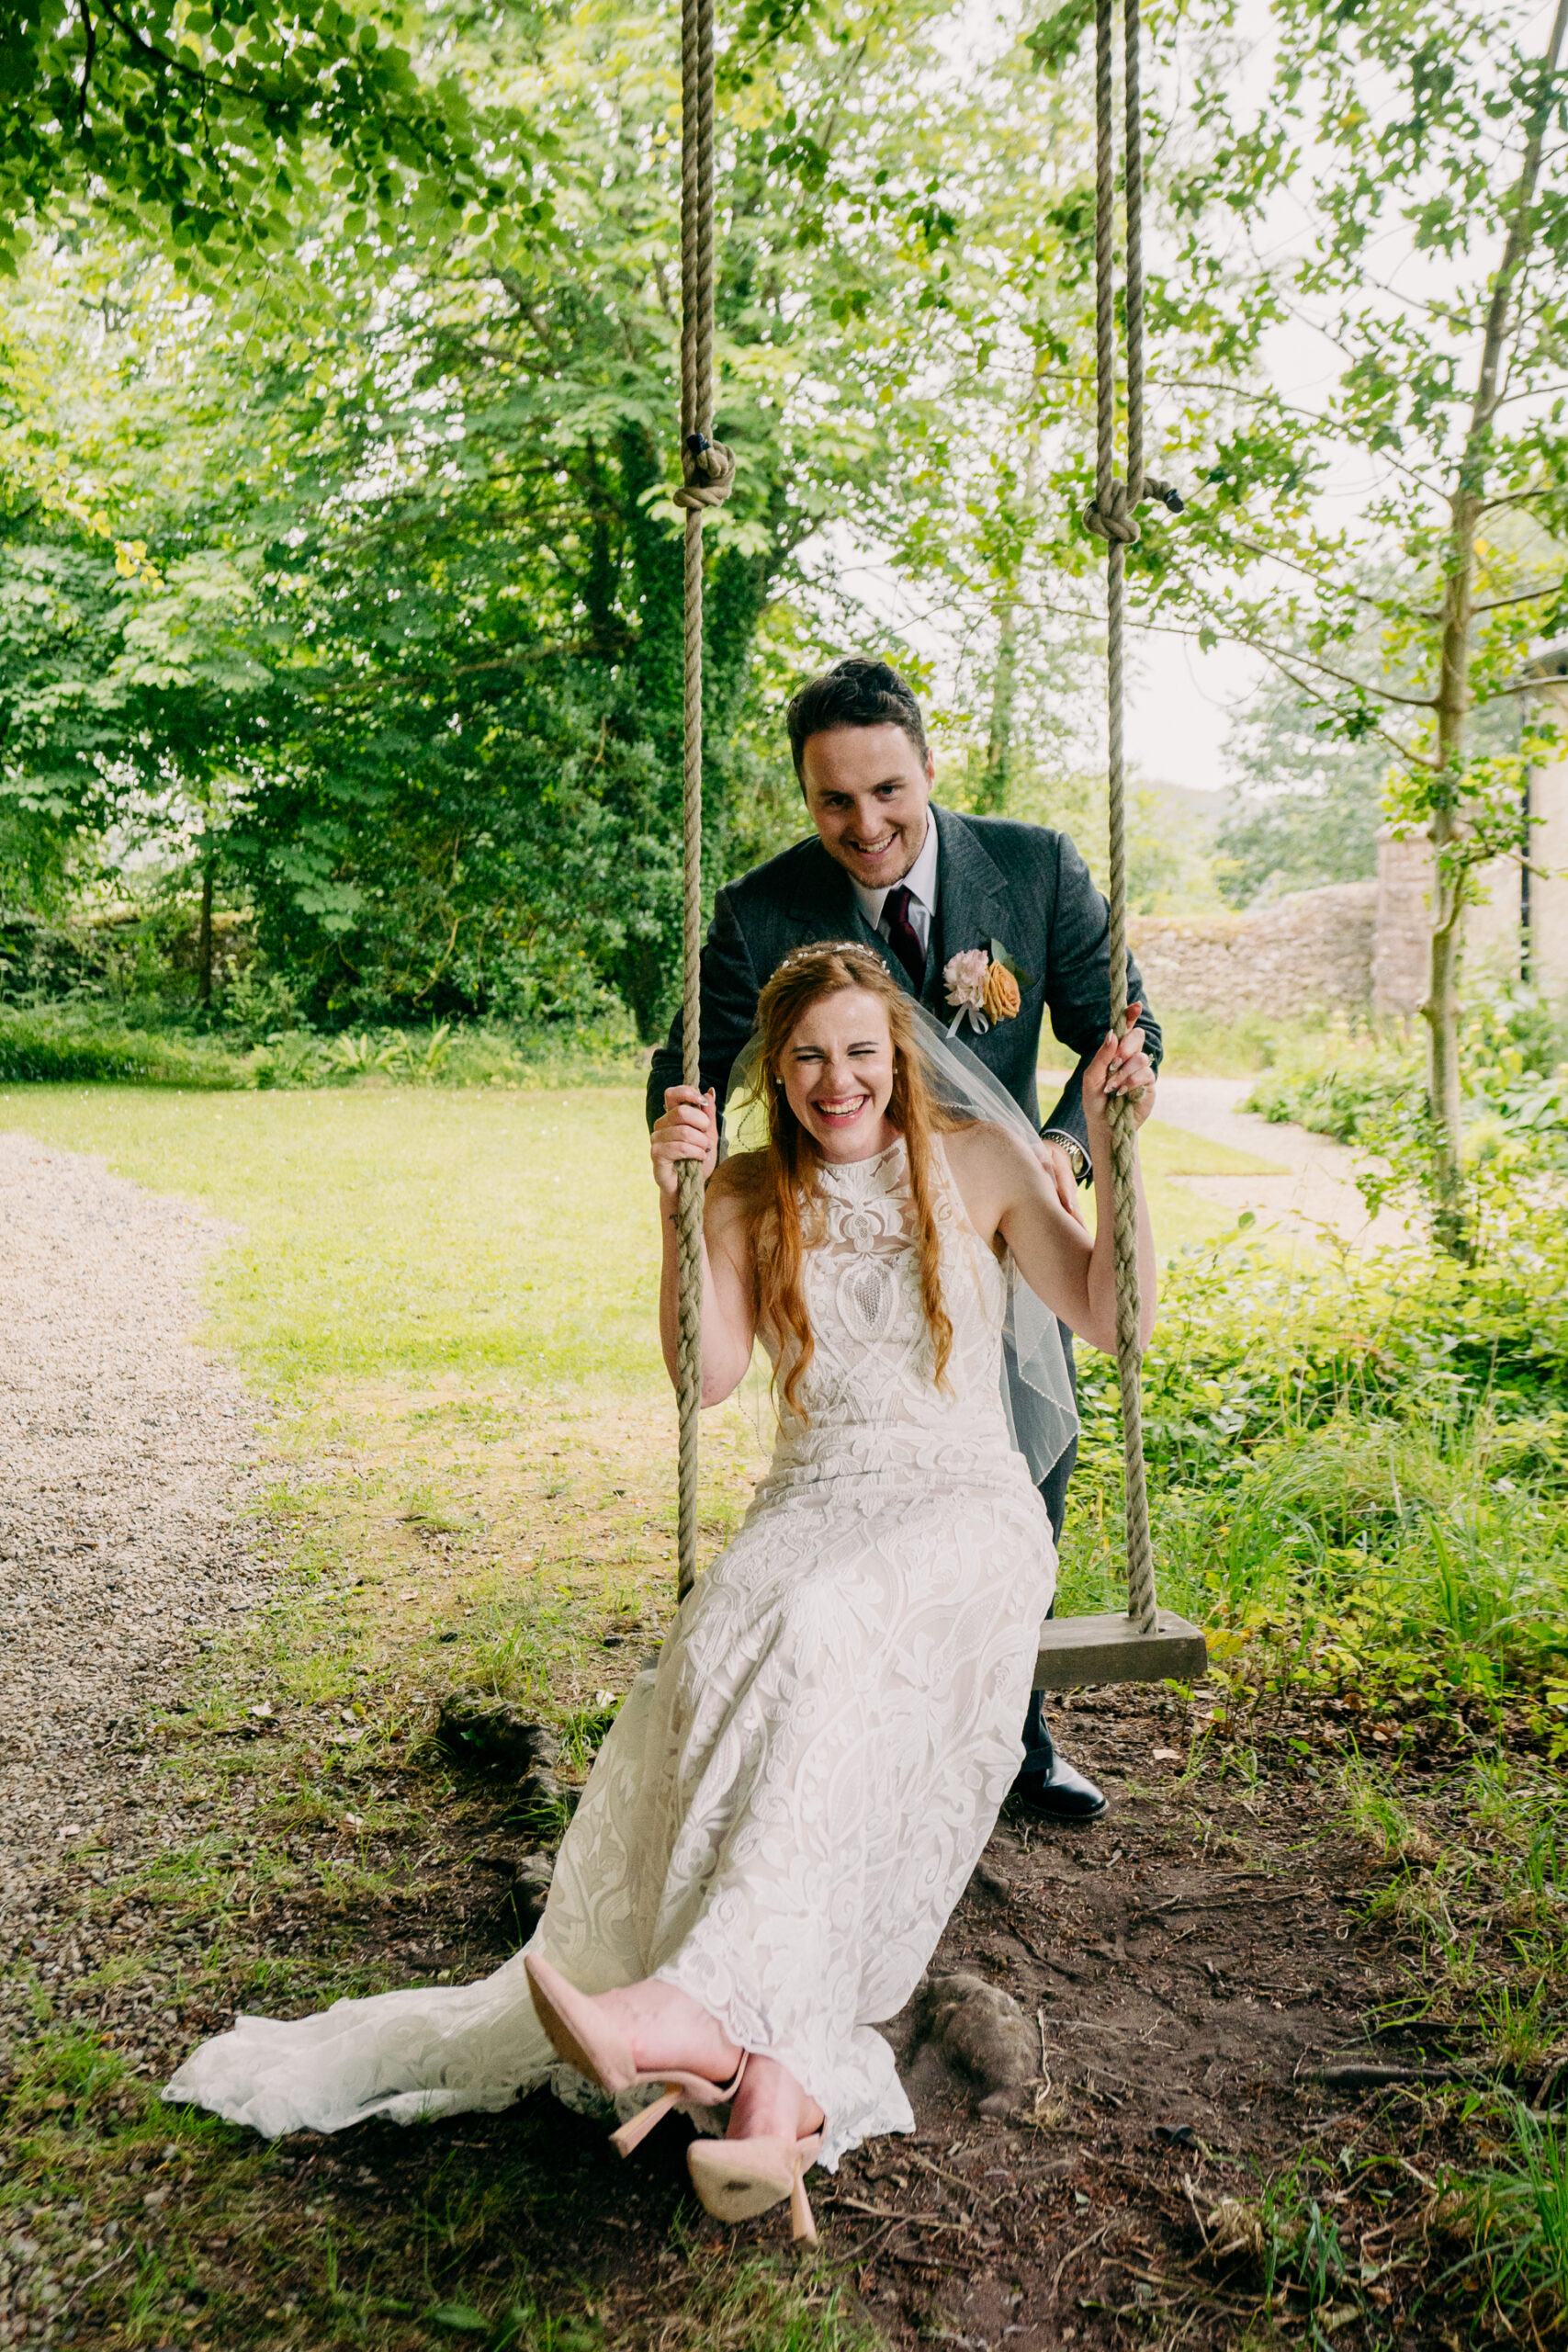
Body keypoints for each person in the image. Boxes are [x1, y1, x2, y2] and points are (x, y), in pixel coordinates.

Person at [164, 944, 1156, 2243]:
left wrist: (1117, 1156)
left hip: (962, 1511)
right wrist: (672, 1208)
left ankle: (687, 2011)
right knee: (740, 1645)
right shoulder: (745, 1193)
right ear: (770, 1073)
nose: (835, 1080)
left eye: (860, 1051)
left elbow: (1110, 1319)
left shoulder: (977, 1161)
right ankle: (775, 2093)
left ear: (898, 1056)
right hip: (812, 1504)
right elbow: (710, 1376)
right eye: (805, 1057)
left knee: (815, 1630)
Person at [648, 655, 1163, 1822]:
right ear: (806, 796)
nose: (865, 823)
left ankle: (1009, 1735)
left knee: (1029, 1468)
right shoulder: (759, 910)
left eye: (887, 790)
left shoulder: (1032, 869)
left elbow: (1125, 1030)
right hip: (846, 1218)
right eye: (834, 800)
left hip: (999, 1208)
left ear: (928, 768)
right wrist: (705, 1179)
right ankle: (858, 1740)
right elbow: (684, 1072)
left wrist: (1069, 1154)